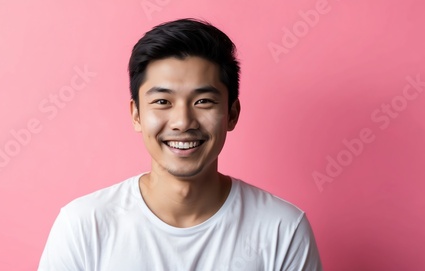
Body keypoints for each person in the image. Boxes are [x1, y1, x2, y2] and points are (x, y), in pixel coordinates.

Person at [38, 18, 322, 271]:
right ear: (136, 114)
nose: (183, 122)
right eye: (162, 102)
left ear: (232, 114)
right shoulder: (84, 225)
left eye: (203, 101)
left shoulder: (282, 229)